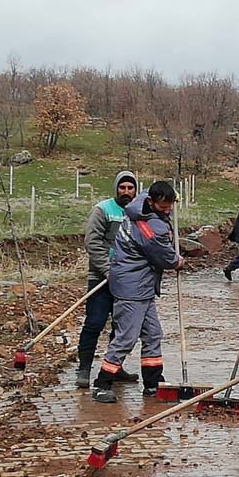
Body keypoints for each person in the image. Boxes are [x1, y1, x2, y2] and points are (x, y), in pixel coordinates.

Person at [92, 181, 183, 404]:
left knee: (152, 334)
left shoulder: (139, 201)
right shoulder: (150, 229)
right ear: (151, 202)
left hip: (142, 286)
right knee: (126, 337)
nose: (167, 210)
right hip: (131, 287)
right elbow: (166, 258)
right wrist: (178, 261)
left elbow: (150, 191)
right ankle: (102, 384)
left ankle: (153, 383)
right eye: (162, 207)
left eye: (169, 206)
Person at [75, 171, 139, 389]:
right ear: (116, 189)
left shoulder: (139, 213)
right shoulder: (103, 210)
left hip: (128, 280)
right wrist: (107, 270)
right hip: (102, 278)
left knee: (121, 326)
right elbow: (92, 243)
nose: (126, 192)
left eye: (130, 188)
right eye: (123, 188)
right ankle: (84, 368)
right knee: (95, 322)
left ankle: (115, 367)